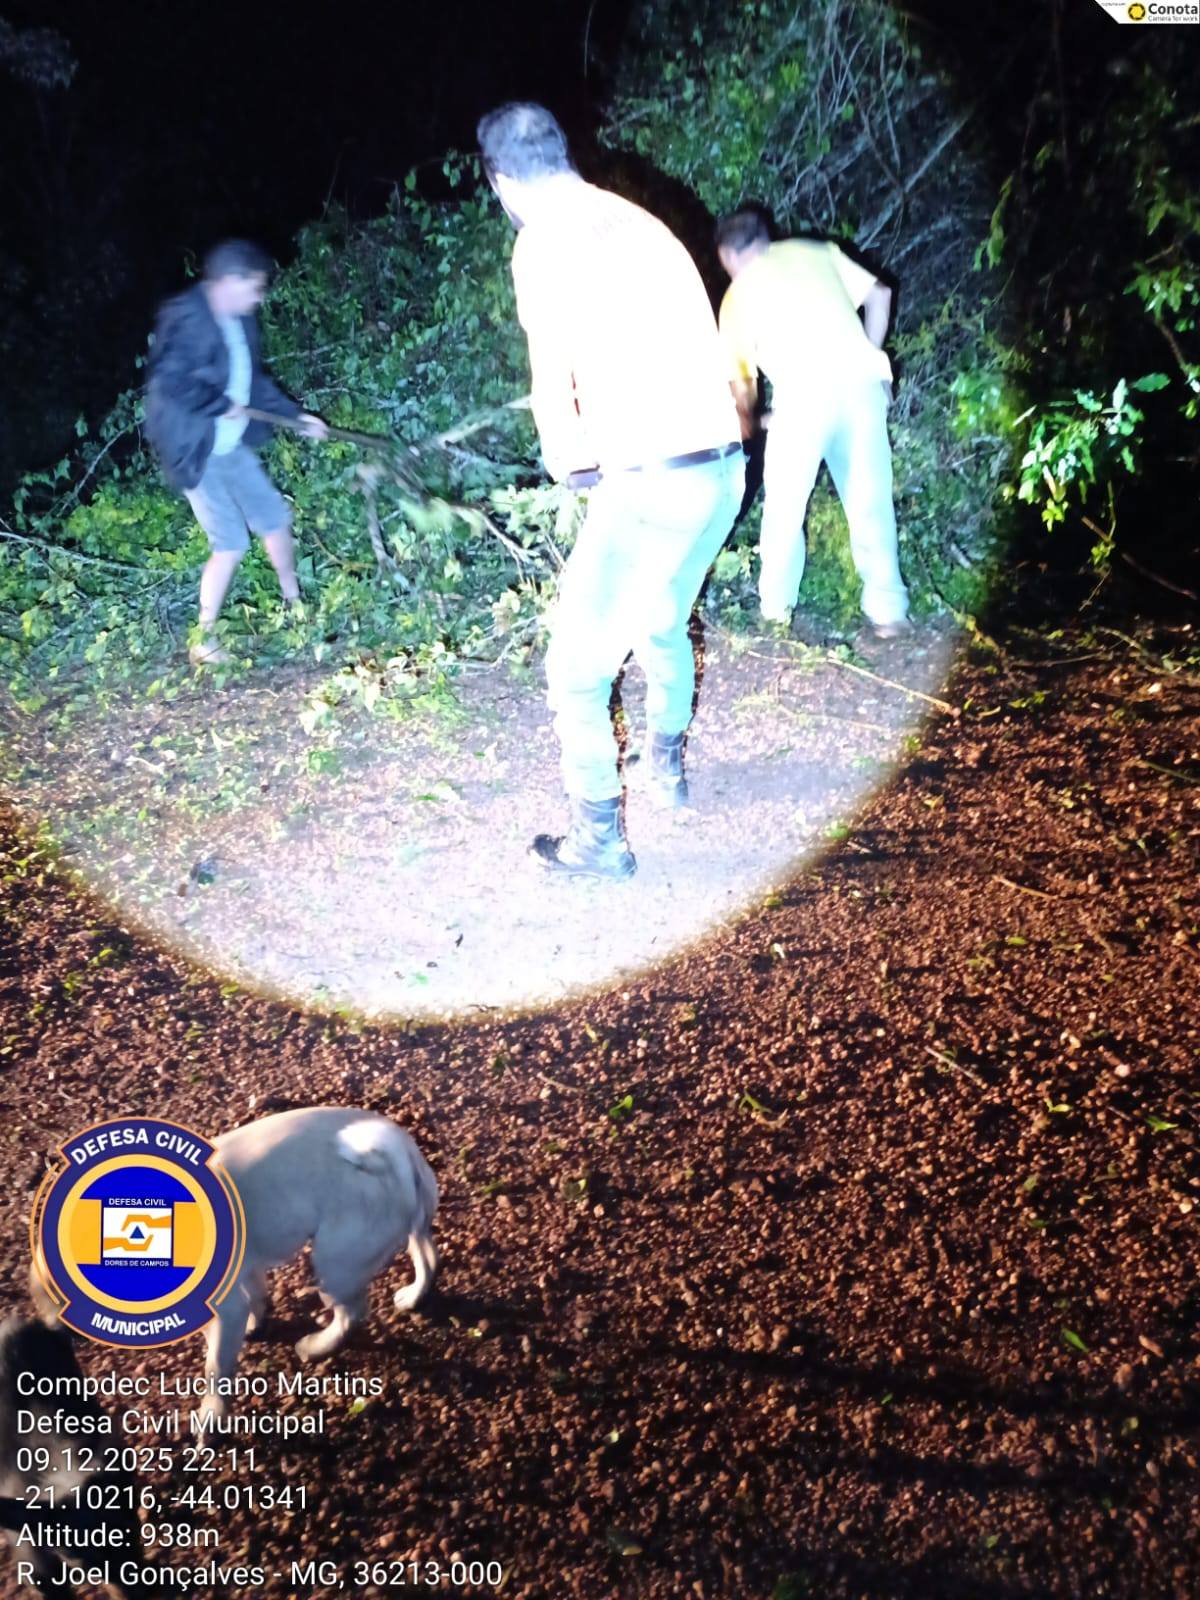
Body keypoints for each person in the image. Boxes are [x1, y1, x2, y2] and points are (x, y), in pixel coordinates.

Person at [477, 102, 745, 881]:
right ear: (563, 153)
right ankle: (668, 767)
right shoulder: (640, 222)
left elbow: (551, 379)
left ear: (500, 181)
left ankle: (598, 843)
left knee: (575, 671)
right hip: (723, 471)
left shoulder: (542, 241)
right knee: (661, 617)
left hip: (654, 484)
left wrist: (569, 456)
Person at [715, 209, 911, 639]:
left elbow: (743, 387)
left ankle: (776, 613)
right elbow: (881, 295)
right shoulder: (817, 250)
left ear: (728, 256)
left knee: (784, 511)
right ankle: (888, 613)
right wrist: (869, 359)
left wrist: (752, 423)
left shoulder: (737, 297)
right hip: (861, 391)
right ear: (765, 238)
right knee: (870, 501)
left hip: (802, 402)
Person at [144, 239, 328, 666]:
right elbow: (168, 382)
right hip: (195, 448)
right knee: (230, 542)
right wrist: (219, 403)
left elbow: (255, 383)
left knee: (275, 518)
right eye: (255, 287)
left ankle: (295, 607)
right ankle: (203, 639)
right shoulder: (187, 315)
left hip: (230, 445)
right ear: (230, 281)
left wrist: (297, 417)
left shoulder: (240, 320)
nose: (259, 298)